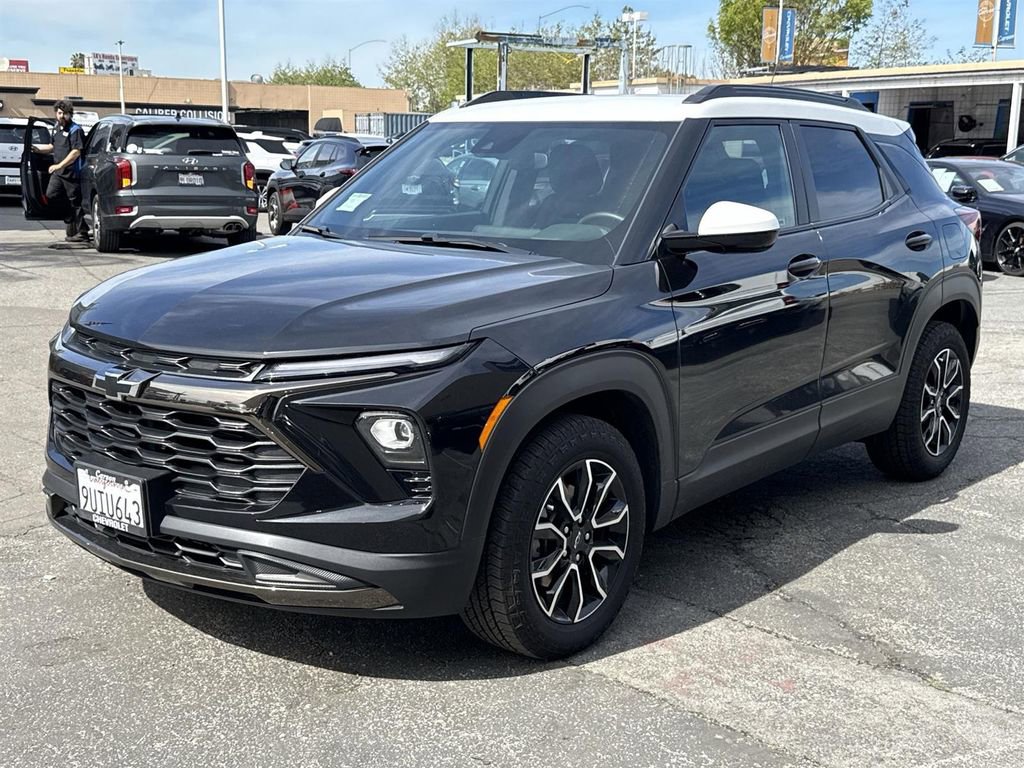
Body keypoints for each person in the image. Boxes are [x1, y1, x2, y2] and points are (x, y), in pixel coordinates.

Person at [31, 99, 89, 242]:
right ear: (56, 113)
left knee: (75, 203)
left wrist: (60, 165)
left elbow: (76, 152)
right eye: (60, 113)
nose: (62, 116)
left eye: (65, 114)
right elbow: (52, 146)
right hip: (59, 173)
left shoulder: (76, 130)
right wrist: (36, 149)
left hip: (71, 173)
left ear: (70, 114)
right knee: (51, 196)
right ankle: (68, 215)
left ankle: (83, 232)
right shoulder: (56, 128)